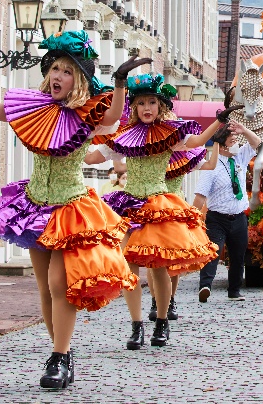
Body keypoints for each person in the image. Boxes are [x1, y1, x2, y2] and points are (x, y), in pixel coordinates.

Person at [0, 30, 144, 390]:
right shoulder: (32, 109)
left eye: (67, 70)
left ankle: (58, 356)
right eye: (54, 68)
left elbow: (114, 116)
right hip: (34, 205)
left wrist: (120, 83)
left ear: (79, 80)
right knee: (44, 287)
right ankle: (63, 353)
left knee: (60, 282)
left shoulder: (88, 115)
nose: (58, 75)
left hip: (71, 207)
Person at [86, 73, 229, 350]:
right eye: (141, 103)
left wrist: (219, 122)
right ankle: (136, 325)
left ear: (160, 106)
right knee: (128, 266)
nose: (147, 108)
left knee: (159, 266)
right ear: (135, 108)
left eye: (152, 102)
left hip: (158, 205)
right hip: (129, 204)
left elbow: (197, 142)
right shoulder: (124, 136)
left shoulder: (170, 134)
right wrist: (83, 131)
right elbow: (93, 157)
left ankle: (161, 322)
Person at [147, 144, 221, 323]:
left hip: (175, 210)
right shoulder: (151, 152)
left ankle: (170, 300)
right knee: (152, 259)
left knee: (174, 260)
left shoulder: (184, 155)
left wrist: (216, 142)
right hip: (153, 209)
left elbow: (210, 165)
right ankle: (155, 300)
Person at [194, 121, 262, 303]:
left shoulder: (239, 158)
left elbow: (256, 142)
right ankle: (205, 286)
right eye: (233, 140)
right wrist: (191, 216)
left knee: (238, 255)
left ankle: (234, 290)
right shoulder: (212, 166)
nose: (237, 144)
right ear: (223, 144)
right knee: (214, 252)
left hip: (239, 216)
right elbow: (201, 195)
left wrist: (244, 130)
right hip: (218, 218)